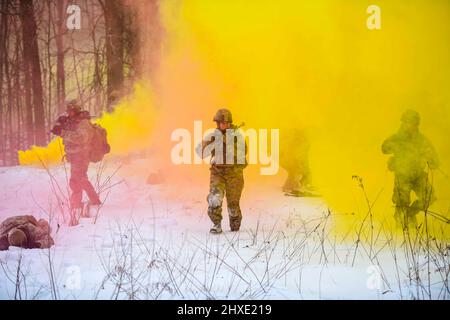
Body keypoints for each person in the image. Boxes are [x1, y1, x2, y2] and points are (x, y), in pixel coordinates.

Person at [382, 109, 439, 228]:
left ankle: (410, 213)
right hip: (403, 175)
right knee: (401, 203)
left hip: (418, 175)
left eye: (414, 123)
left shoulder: (421, 139)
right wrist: (397, 147)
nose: (412, 125)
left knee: (429, 197)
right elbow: (384, 148)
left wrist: (431, 160)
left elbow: (433, 156)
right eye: (409, 122)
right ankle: (401, 229)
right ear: (403, 122)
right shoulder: (397, 137)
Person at [196, 109, 247, 234]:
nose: (225, 125)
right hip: (217, 172)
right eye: (222, 123)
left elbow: (243, 153)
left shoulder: (237, 135)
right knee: (215, 199)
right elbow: (200, 152)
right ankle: (216, 224)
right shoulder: (212, 135)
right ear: (217, 123)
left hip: (234, 174)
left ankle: (235, 226)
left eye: (227, 123)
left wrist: (228, 143)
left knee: (233, 204)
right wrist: (214, 143)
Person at [51, 100, 101, 216]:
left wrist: (63, 132)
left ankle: (76, 205)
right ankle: (94, 200)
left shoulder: (83, 123)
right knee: (81, 179)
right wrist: (60, 125)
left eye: (70, 111)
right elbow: (64, 130)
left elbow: (81, 138)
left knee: (76, 180)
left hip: (82, 156)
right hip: (75, 156)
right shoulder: (72, 122)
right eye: (67, 111)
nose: (68, 113)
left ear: (75, 110)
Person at [280, 128, 313, 196]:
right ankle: (294, 187)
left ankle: (296, 186)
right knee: (296, 172)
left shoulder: (300, 141)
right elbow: (297, 154)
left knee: (296, 172)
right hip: (291, 160)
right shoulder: (298, 141)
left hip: (291, 159)